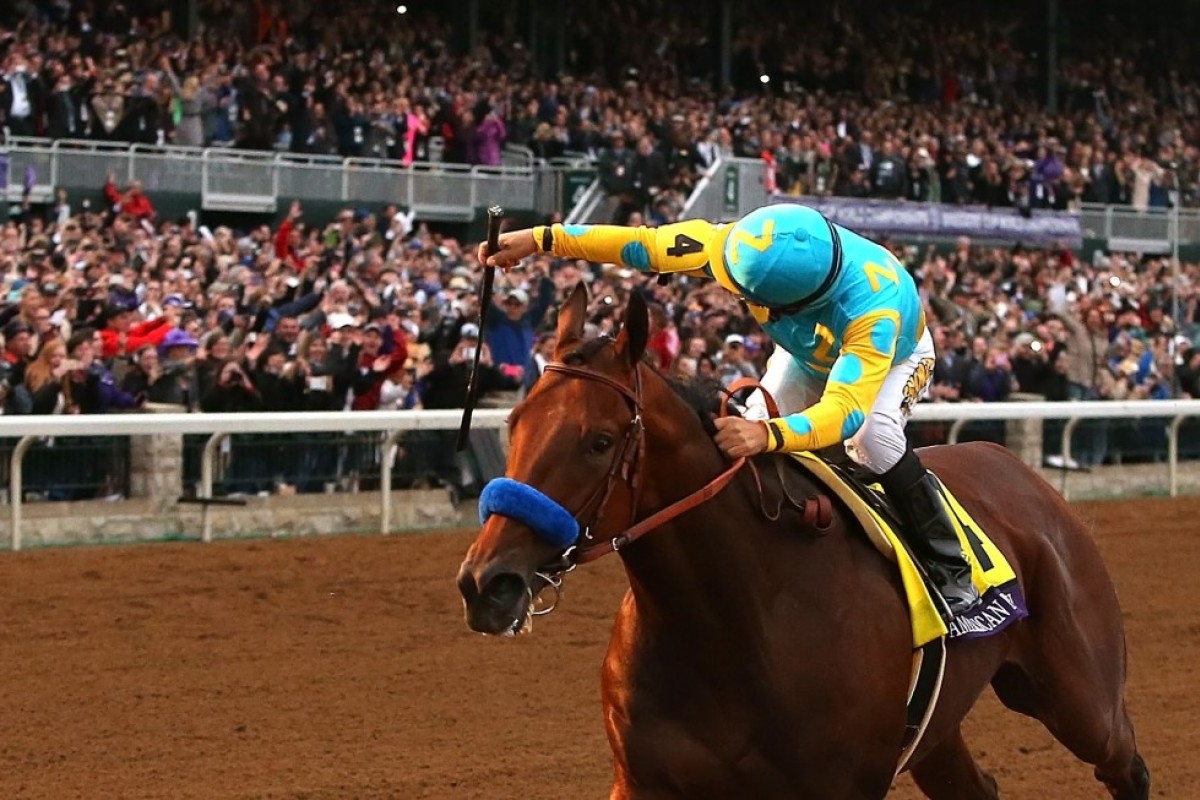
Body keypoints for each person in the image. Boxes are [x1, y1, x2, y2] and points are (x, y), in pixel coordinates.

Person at [480, 203, 980, 619]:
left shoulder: (874, 307)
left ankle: (950, 560)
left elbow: (844, 409)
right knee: (753, 432)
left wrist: (770, 437)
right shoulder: (732, 246)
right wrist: (541, 239)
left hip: (896, 356)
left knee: (872, 440)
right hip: (810, 351)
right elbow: (641, 244)